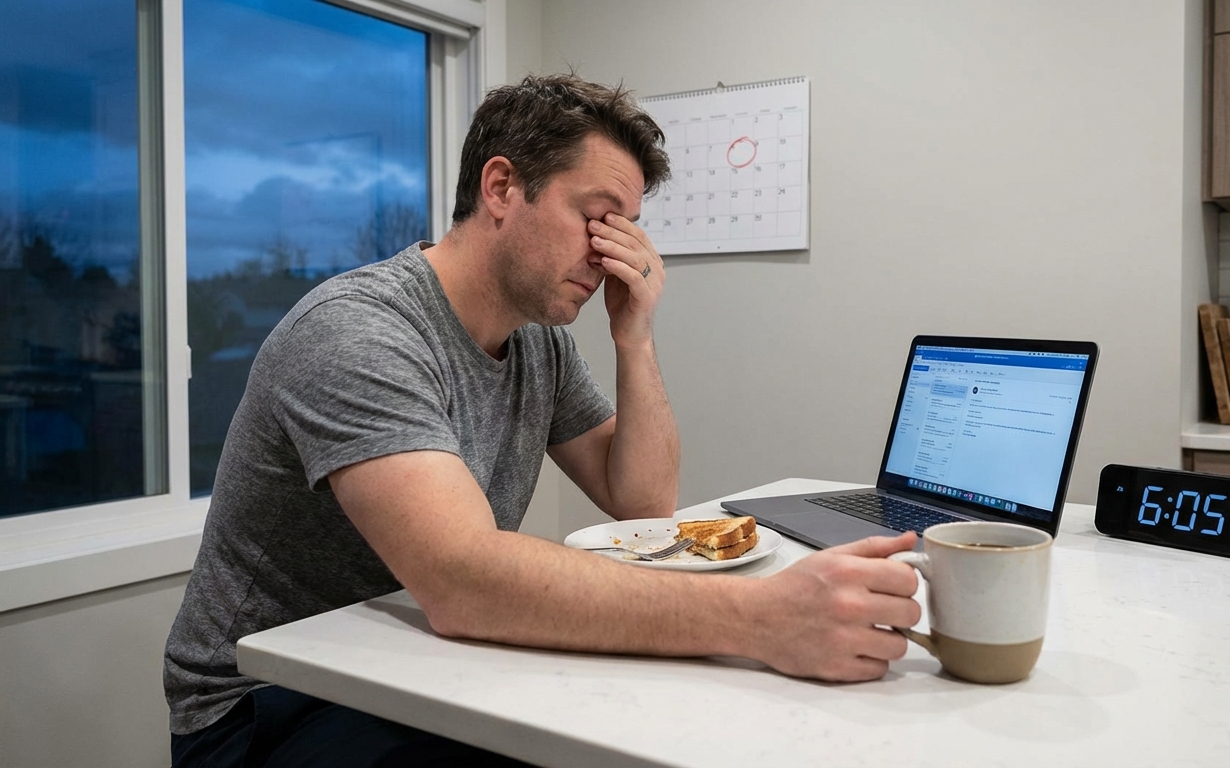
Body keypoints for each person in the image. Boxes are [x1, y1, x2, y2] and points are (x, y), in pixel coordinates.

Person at [164, 74, 920, 768]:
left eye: (625, 229)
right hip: (260, 709)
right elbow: (464, 582)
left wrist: (636, 334)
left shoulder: (540, 345)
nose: (610, 253)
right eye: (596, 218)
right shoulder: (357, 332)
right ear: (502, 186)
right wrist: (759, 618)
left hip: (414, 658)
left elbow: (643, 503)